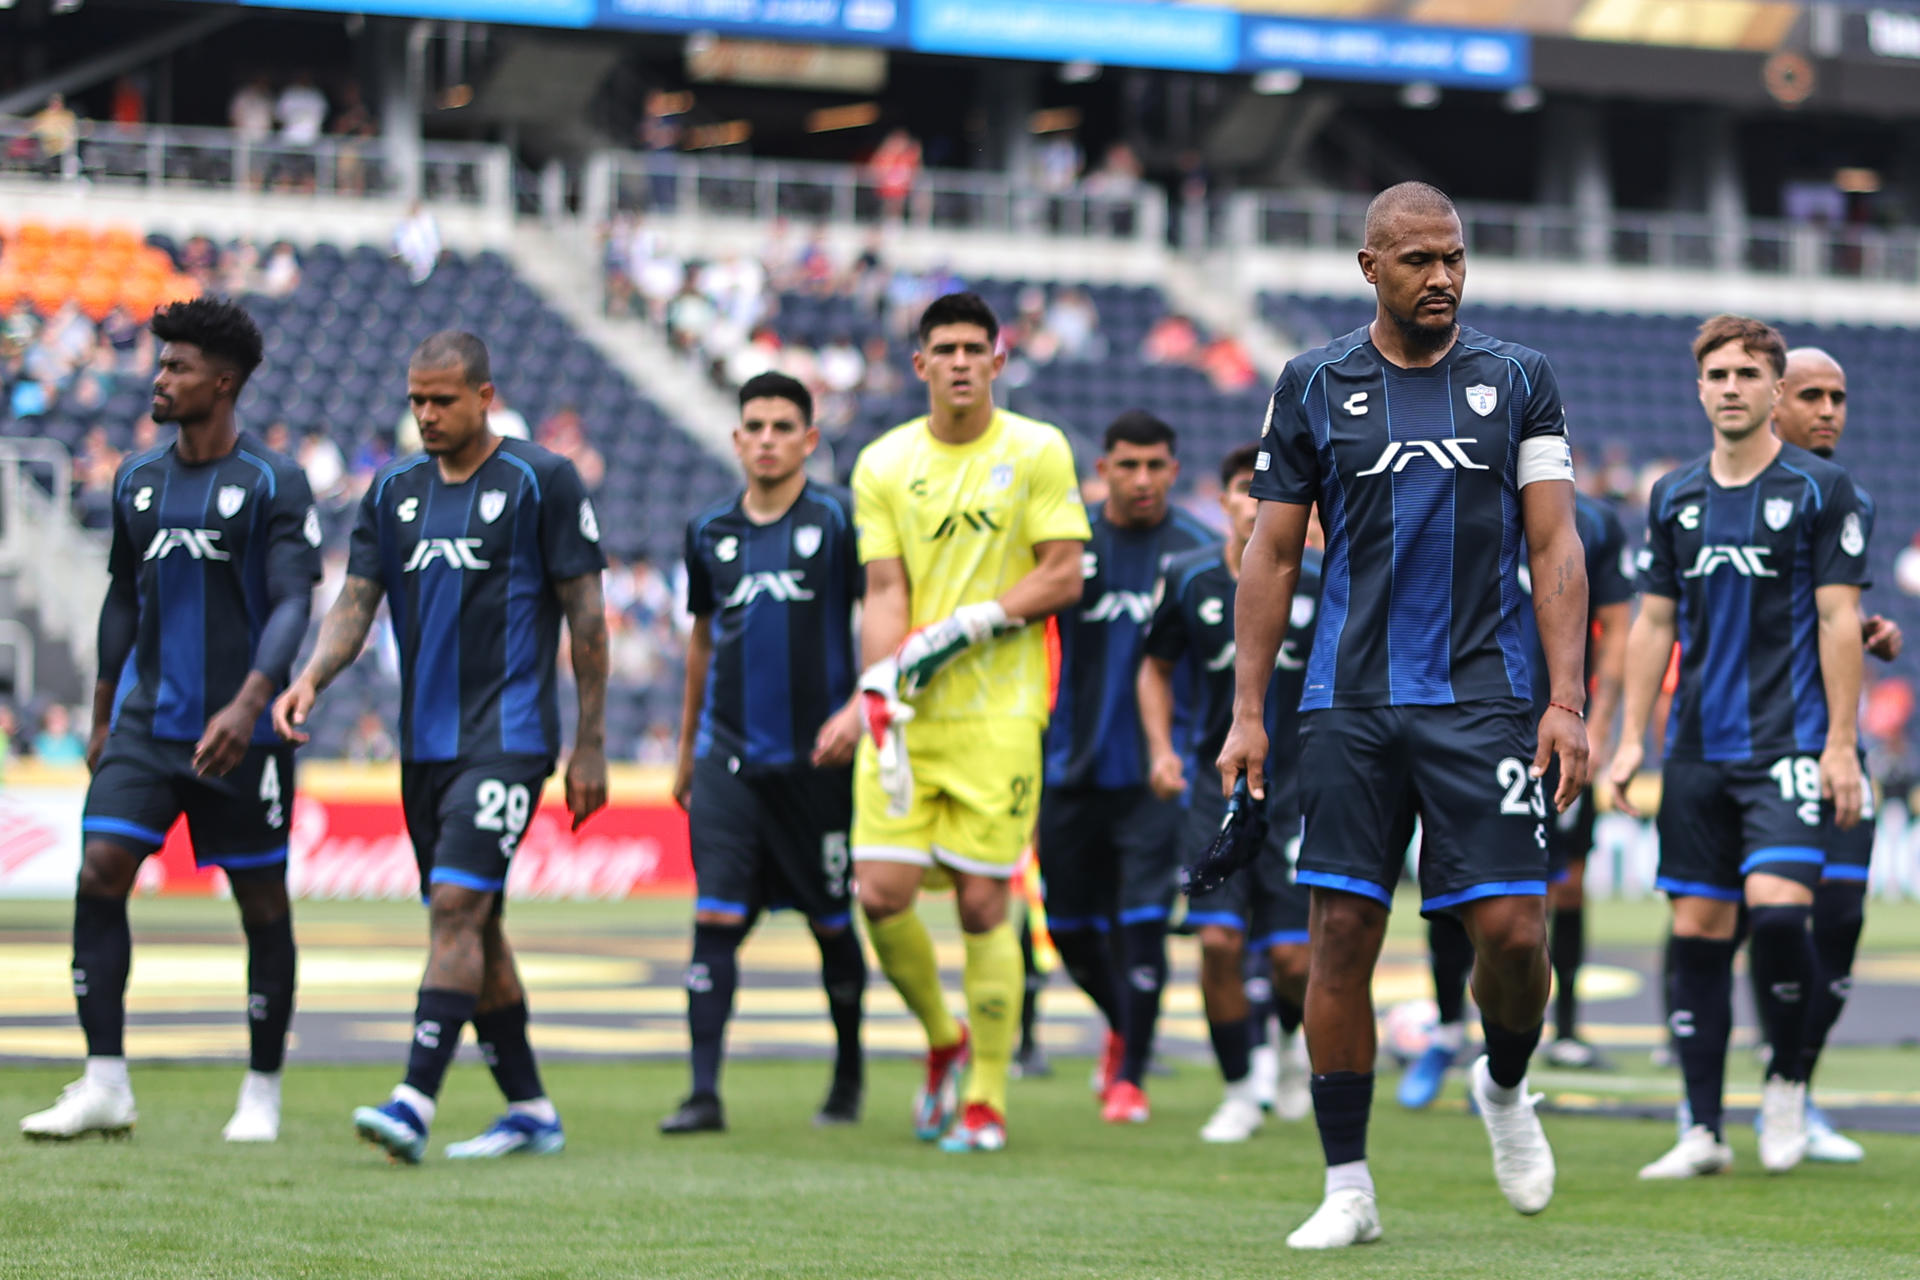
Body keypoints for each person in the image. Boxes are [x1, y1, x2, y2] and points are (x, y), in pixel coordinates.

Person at [1219, 182, 1588, 1248]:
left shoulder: (1520, 379)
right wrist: (1249, 711)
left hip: (1486, 697)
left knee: (1516, 933)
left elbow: (1555, 546)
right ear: (1369, 265)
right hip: (1348, 699)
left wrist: (1566, 699)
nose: (1443, 278)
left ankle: (1505, 1083)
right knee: (1339, 935)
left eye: (1455, 258)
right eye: (1419, 260)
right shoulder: (1310, 383)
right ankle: (1348, 1184)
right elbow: (1273, 554)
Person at [273, 331, 609, 1163]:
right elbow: (356, 602)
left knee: (457, 908)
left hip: (511, 740)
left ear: (484, 396)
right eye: (416, 399)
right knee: (475, 925)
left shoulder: (542, 480)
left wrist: (591, 743)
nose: (424, 414)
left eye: (442, 400)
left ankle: (415, 1099)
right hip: (423, 748)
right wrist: (312, 676)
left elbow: (588, 618)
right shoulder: (392, 491)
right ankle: (529, 1107)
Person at [20, 298, 321, 1144]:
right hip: (148, 728)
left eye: (176, 367)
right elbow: (123, 596)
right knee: (99, 873)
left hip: (245, 734)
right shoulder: (137, 481)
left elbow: (296, 599)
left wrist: (251, 701)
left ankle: (261, 1090)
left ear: (221, 383)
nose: (158, 379)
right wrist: (102, 708)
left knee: (262, 905)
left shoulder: (272, 483)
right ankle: (105, 1081)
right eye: (160, 365)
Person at [1608, 317, 1868, 1181]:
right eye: (1716, 373)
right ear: (1699, 388)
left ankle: (1788, 1083)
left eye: (1747, 374)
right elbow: (1653, 624)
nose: (1730, 387)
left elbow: (1839, 620)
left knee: (1783, 914)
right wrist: (1630, 743)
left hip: (1789, 744)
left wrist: (1839, 745)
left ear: (1772, 388)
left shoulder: (1821, 491)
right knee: (1697, 931)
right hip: (1696, 754)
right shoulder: (1673, 496)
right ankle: (1703, 1129)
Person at [849, 292, 1089, 1153]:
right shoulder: (881, 464)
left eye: (972, 348)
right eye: (942, 348)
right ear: (919, 365)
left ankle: (986, 1096)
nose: (957, 361)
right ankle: (944, 1040)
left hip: (1000, 715)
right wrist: (880, 682)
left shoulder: (1037, 450)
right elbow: (884, 591)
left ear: (998, 360)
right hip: (910, 717)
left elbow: (1064, 574)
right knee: (878, 893)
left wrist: (969, 623)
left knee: (987, 903)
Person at [660, 372, 868, 1135]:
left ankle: (848, 1076)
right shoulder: (708, 530)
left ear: (810, 440)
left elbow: (882, 610)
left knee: (832, 925)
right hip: (730, 764)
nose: (770, 438)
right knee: (714, 921)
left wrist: (860, 709)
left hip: (822, 768)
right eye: (757, 425)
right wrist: (687, 751)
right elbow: (703, 640)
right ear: (738, 438)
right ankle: (702, 1092)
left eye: (786, 426)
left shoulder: (843, 522)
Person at [1399, 488, 1635, 1105]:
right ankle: (1449, 1031)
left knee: (1567, 884)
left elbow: (1618, 630)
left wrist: (1600, 721)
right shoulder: (1459, 494)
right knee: (1452, 885)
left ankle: (1567, 1031)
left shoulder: (1596, 524)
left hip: (1557, 729)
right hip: (1467, 729)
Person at [1037, 410, 1213, 1124]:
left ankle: (1129, 1077)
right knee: (1069, 928)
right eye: (1127, 465)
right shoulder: (1067, 545)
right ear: (1103, 469)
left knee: (1142, 922)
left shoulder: (1198, 553)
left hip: (1157, 774)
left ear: (1173, 471)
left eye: (1155, 466)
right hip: (1070, 766)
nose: (1141, 480)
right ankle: (1124, 1023)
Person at [1140, 443, 1319, 1142]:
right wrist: (1161, 750)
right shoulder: (1187, 579)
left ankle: (1292, 1054)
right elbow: (1153, 668)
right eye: (1247, 488)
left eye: (1271, 490)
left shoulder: (1323, 578)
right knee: (1215, 944)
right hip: (1215, 795)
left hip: (1301, 793)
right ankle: (1241, 1089)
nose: (1257, 501)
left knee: (1292, 959)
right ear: (1221, 499)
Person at [1759, 346, 1901, 1163]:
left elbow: (1832, 616)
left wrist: (1870, 633)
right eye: (1811, 394)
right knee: (1754, 920)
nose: (1829, 411)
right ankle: (1704, 1102)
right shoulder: (1732, 493)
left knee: (1840, 920)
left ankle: (1792, 1087)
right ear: (1773, 403)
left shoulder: (1847, 496)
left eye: (1840, 396)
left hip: (1834, 745)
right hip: (1751, 748)